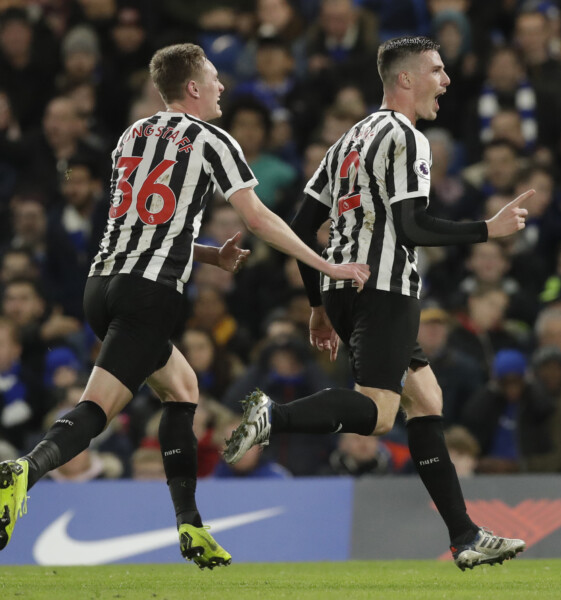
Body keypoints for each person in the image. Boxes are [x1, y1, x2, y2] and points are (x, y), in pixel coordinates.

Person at [0, 43, 369, 568]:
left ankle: (191, 525)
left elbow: (143, 225)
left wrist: (212, 255)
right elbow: (258, 218)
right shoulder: (212, 139)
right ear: (193, 87)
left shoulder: (132, 135)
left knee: (183, 388)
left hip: (101, 285)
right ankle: (23, 472)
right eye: (214, 78)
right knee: (98, 408)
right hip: (150, 294)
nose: (222, 87)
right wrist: (326, 265)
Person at [224, 36, 533, 571]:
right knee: (379, 414)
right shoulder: (407, 137)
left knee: (426, 399)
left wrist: (318, 303)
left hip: (343, 286)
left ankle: (464, 536)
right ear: (406, 78)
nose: (446, 81)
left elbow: (299, 227)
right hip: (385, 288)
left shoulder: (348, 140)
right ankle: (274, 415)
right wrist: (489, 229)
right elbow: (413, 226)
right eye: (437, 71)